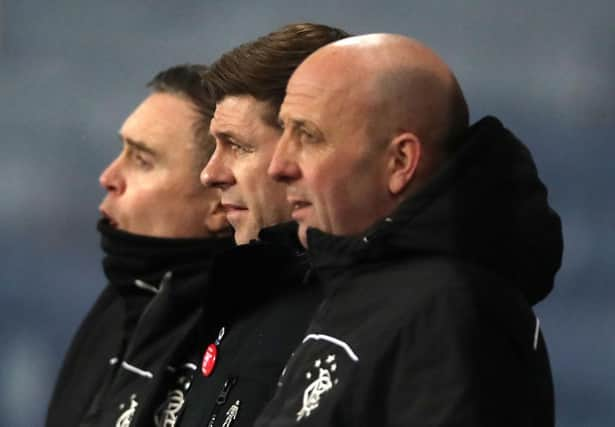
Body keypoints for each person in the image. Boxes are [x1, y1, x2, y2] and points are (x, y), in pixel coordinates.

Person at [256, 34, 563, 426]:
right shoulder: (366, 289)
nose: (278, 165)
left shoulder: (451, 312)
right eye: (283, 130)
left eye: (309, 136)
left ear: (400, 162)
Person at [148, 23, 351, 427]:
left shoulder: (350, 313)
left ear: (306, 146)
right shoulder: (240, 292)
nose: (210, 174)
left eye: (238, 146)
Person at [46, 64, 233, 427]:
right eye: (122, 151)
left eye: (142, 160)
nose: (109, 177)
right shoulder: (118, 303)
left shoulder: (246, 332)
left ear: (220, 200)